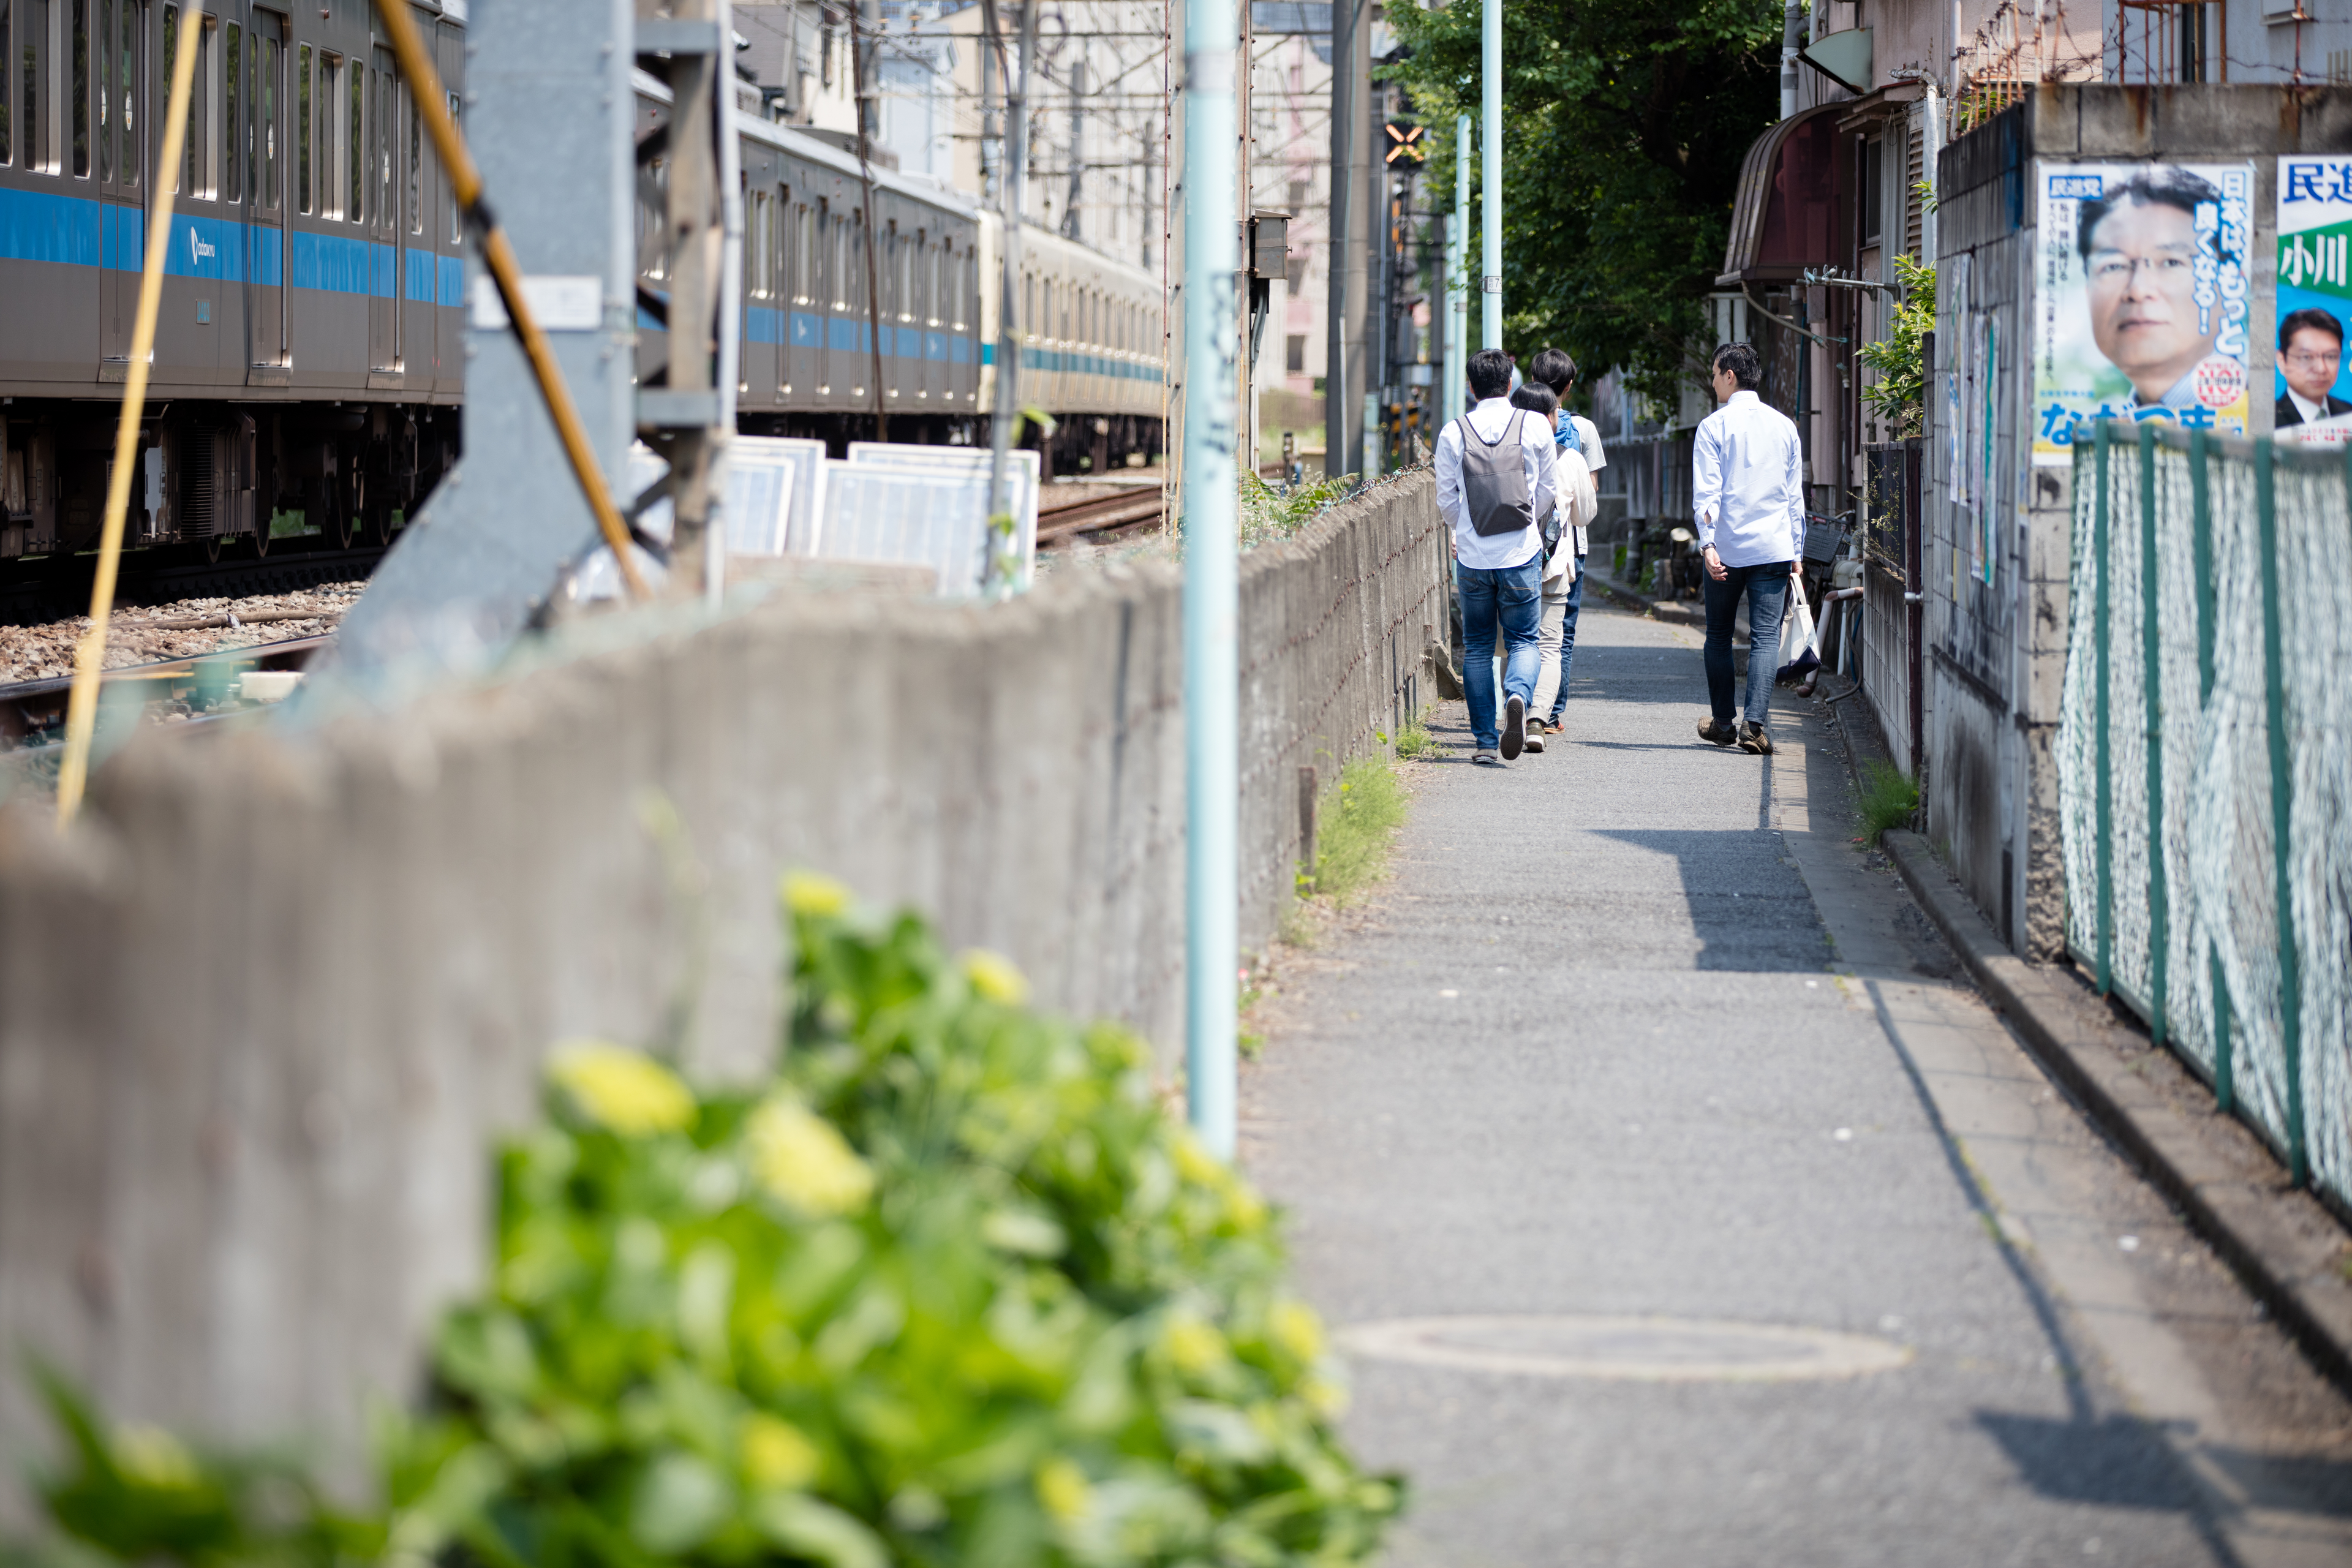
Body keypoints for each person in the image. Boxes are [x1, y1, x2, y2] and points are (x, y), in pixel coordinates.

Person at [1436, 347, 1556, 764]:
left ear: (1470, 387)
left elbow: (1447, 500)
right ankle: (1519, 697)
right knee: (1524, 640)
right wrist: (1526, 523)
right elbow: (1547, 492)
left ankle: (1486, 743)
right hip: (1521, 552)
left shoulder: (1454, 432)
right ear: (1510, 384)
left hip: (1473, 557)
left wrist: (1469, 527)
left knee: (1478, 647)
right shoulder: (1536, 426)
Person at [1691, 342, 1801, 755]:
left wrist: (1708, 544)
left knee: (1718, 634)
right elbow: (1794, 496)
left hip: (1728, 546)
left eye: (1715, 372)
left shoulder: (1714, 426)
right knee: (1765, 638)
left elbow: (1707, 493)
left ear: (1730, 376)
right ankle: (1753, 727)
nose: (1713, 380)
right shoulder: (1785, 426)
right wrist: (1797, 549)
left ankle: (1723, 723)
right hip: (1774, 546)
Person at [2078, 167, 2231, 413]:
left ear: (2228, 286)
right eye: (2114, 266)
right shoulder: (2105, 425)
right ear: (2088, 293)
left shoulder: (2259, 414)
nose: (2138, 290)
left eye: (2171, 262)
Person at [1525, 348, 1607, 739]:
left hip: (1517, 544)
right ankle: (1552, 713)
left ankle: (1522, 700)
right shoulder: (1584, 430)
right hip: (1570, 543)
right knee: (1561, 633)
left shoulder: (1514, 428)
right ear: (1569, 388)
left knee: (1522, 631)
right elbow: (1590, 491)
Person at [2275, 306, 2351, 428]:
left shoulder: (2349, 415)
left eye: (2331, 357)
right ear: (2282, 360)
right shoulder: (2267, 420)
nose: (2321, 369)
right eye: (2306, 357)